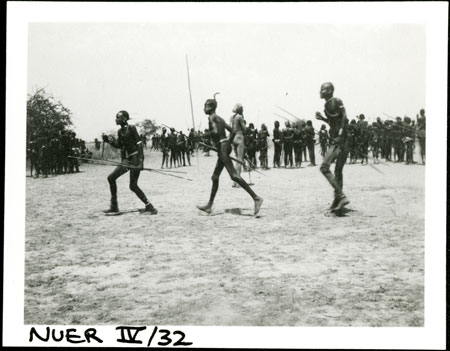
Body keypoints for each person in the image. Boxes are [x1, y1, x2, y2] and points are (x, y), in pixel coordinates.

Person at [197, 96, 263, 216]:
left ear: (211, 107)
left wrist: (202, 136)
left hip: (223, 147)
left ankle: (256, 198)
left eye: (205, 106)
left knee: (233, 175)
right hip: (224, 146)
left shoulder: (212, 118)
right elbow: (232, 131)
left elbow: (216, 132)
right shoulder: (220, 118)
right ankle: (209, 205)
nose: (204, 108)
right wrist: (227, 142)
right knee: (215, 177)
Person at [103, 110, 157, 214]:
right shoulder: (120, 132)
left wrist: (141, 162)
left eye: (118, 117)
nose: (116, 119)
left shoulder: (131, 128)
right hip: (128, 160)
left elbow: (140, 144)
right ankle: (114, 206)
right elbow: (119, 145)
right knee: (113, 179)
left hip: (135, 159)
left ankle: (150, 207)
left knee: (132, 185)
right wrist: (108, 140)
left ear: (124, 119)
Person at [315, 82, 350, 212]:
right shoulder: (327, 105)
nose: (320, 91)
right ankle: (337, 200)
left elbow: (344, 118)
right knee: (337, 171)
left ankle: (341, 196)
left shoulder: (336, 101)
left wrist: (340, 134)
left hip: (340, 140)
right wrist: (322, 119)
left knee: (324, 167)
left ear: (329, 91)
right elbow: (333, 122)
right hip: (340, 139)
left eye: (322, 89)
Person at [230, 103, 247, 187]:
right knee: (240, 160)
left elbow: (231, 128)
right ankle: (238, 182)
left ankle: (234, 181)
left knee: (236, 160)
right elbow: (244, 129)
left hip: (233, 138)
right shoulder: (240, 117)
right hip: (239, 137)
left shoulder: (232, 117)